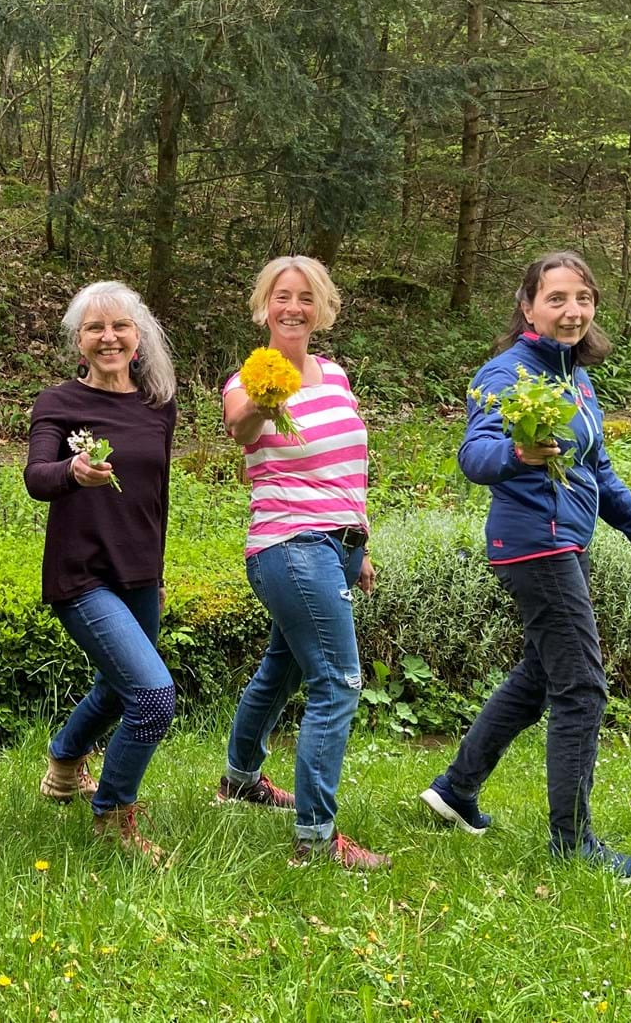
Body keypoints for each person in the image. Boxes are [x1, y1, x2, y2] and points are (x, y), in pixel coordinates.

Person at [418, 250, 631, 878]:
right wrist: (518, 453)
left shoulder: (577, 379)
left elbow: (600, 473)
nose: (572, 311)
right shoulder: (507, 374)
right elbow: (475, 455)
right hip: (537, 544)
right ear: (528, 306)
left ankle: (456, 788)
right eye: (557, 298)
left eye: (583, 298)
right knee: (582, 688)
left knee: (540, 676)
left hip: (566, 542)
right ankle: (572, 842)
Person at [215, 256, 387, 870]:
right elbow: (239, 427)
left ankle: (239, 780)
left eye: (306, 297)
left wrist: (358, 547)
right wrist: (267, 392)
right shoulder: (247, 381)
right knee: (338, 682)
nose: (293, 307)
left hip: (335, 546)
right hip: (289, 545)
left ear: (323, 309)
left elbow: (349, 469)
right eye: (282, 296)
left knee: (282, 668)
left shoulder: (337, 376)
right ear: (264, 306)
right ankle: (315, 839)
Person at [24, 281, 179, 864]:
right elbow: (37, 476)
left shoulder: (157, 405)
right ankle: (113, 817)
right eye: (95, 328)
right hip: (81, 574)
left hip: (140, 573)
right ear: (79, 342)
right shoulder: (59, 403)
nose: (108, 337)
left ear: (138, 338)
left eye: (120, 326)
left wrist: (157, 571)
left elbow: (157, 494)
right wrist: (73, 471)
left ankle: (65, 761)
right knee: (152, 694)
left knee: (117, 688)